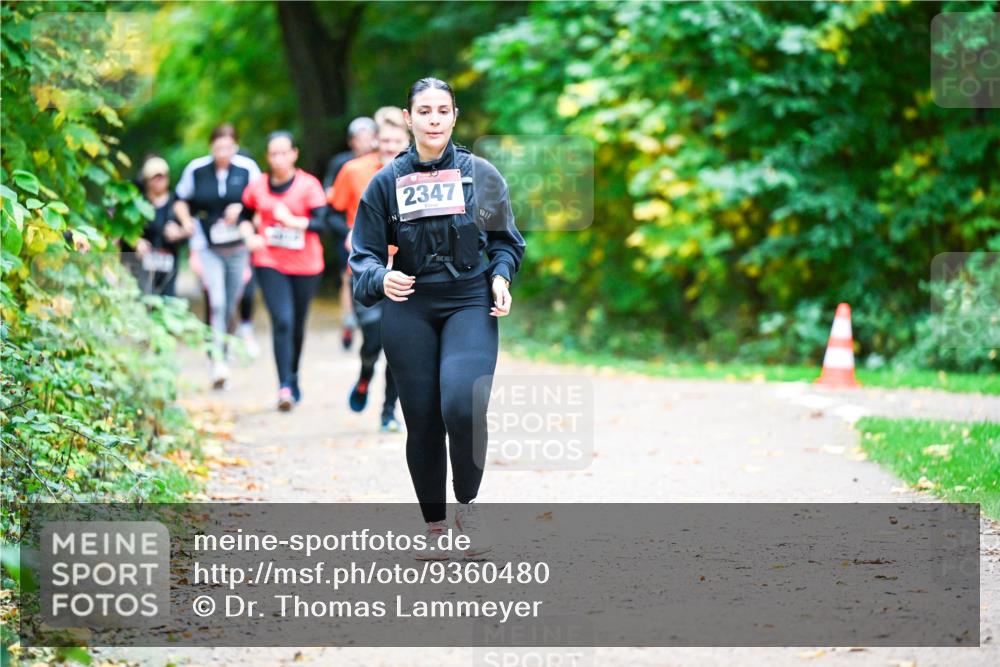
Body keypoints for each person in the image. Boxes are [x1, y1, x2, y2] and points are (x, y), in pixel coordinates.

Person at [350, 78, 525, 559]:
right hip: (410, 305)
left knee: (462, 404)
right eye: (423, 111)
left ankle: (468, 507)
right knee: (423, 418)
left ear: (454, 116)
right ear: (408, 118)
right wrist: (380, 279)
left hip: (470, 299)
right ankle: (434, 528)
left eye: (441, 111)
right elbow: (361, 257)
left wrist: (501, 277)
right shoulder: (385, 182)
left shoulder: (481, 175)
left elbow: (508, 242)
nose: (433, 119)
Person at [240, 131, 330, 411]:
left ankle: (293, 374)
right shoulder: (257, 186)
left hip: (306, 265)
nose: (278, 159)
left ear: (294, 154)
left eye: (284, 153)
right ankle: (284, 387)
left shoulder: (308, 185)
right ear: (267, 157)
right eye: (273, 154)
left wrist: (292, 221)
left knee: (297, 325)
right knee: (282, 321)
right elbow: (244, 216)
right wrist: (248, 237)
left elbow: (321, 224)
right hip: (270, 261)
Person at [331, 108, 408, 432]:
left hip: (406, 272)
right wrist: (350, 233)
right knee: (374, 341)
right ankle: (365, 374)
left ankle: (388, 411)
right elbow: (330, 214)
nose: (390, 147)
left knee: (398, 346)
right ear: (376, 139)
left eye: (397, 141)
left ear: (408, 141)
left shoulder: (421, 175)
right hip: (367, 271)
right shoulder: (354, 170)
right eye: (385, 140)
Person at [174, 124, 261, 389]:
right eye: (218, 147)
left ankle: (227, 345)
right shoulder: (196, 170)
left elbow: (260, 203)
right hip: (207, 246)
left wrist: (243, 211)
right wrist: (186, 221)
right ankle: (217, 360)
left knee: (233, 301)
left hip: (237, 247)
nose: (223, 153)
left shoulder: (247, 169)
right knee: (218, 301)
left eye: (228, 148)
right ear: (211, 147)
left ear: (235, 146)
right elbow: (180, 200)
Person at [324, 117, 378, 351]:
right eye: (359, 137)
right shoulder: (343, 164)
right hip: (348, 231)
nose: (364, 141)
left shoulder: (389, 162)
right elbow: (330, 198)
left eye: (368, 136)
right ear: (351, 141)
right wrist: (349, 231)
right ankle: (349, 319)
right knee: (348, 277)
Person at [129, 156, 192, 296]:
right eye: (155, 178)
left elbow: (189, 230)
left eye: (162, 177)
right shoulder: (137, 204)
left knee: (167, 300)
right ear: (146, 180)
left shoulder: (176, 203)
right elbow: (124, 232)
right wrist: (137, 241)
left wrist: (178, 233)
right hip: (141, 263)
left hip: (168, 263)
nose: (159, 181)